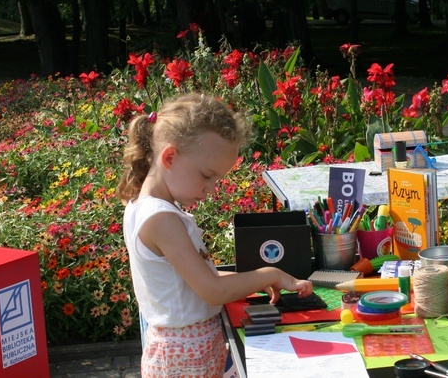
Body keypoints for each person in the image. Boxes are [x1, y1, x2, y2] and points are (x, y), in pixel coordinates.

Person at [117, 92, 313, 377]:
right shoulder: (161, 219)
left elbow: (196, 281)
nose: (211, 188)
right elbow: (212, 291)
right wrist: (269, 273)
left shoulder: (148, 206)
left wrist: (253, 281)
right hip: (183, 357)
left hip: (188, 352)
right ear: (169, 157)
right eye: (207, 175)